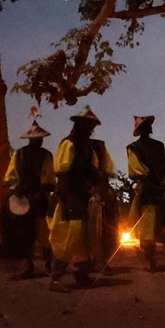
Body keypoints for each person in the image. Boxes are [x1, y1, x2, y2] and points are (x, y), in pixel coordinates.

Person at [48, 106, 114, 292]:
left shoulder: (89, 147)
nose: (91, 130)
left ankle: (82, 275)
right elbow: (62, 170)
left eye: (92, 127)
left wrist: (98, 185)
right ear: (79, 125)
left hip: (84, 196)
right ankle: (55, 277)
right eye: (88, 126)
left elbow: (92, 170)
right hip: (69, 196)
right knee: (69, 235)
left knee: (85, 236)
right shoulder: (69, 144)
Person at [0, 120, 55, 278]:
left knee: (44, 231)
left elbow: (48, 177)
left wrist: (40, 191)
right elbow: (12, 174)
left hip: (39, 196)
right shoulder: (20, 154)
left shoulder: (45, 155)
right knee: (23, 233)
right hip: (23, 196)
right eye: (37, 138)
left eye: (40, 139)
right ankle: (28, 265)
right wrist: (16, 187)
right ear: (31, 139)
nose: (39, 141)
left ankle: (48, 264)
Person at [126, 114, 165, 271]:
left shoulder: (159, 146)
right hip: (147, 191)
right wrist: (158, 186)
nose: (151, 126)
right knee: (148, 229)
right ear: (143, 129)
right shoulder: (133, 147)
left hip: (160, 190)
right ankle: (151, 262)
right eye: (148, 124)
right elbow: (138, 173)